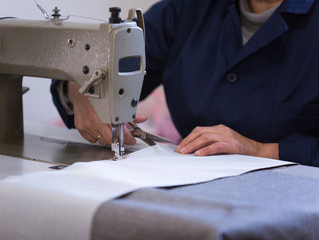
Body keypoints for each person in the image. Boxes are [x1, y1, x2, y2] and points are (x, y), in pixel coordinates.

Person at [51, 0, 319, 167]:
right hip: (193, 186)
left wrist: (264, 150)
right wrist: (79, 92)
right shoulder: (187, 9)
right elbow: (105, 60)